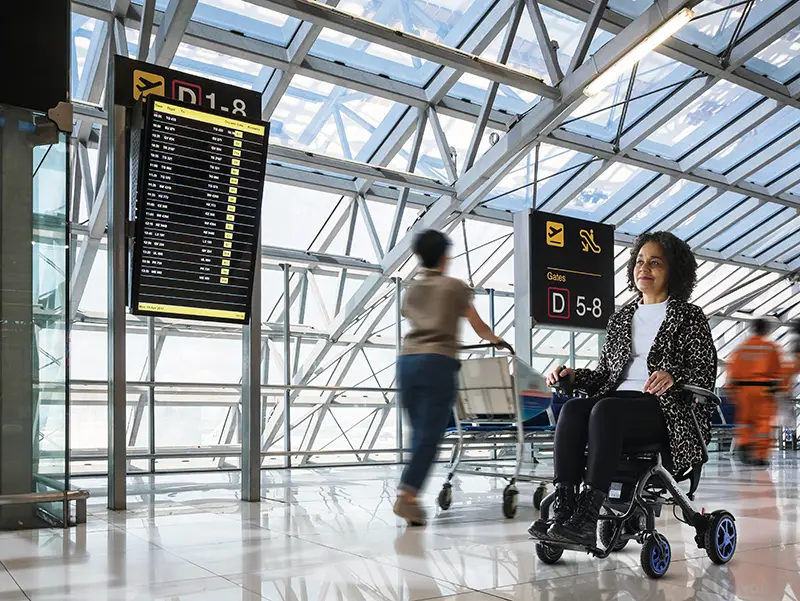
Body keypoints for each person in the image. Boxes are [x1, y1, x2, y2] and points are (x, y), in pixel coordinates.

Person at [528, 231, 717, 548]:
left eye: (655, 263)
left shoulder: (689, 316)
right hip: (617, 405)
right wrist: (573, 377)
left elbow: (705, 372)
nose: (644, 268)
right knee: (574, 409)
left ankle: (588, 517)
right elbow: (605, 374)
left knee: (606, 409)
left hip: (666, 411)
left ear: (674, 271)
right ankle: (565, 510)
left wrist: (673, 374)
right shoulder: (621, 318)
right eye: (640, 261)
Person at [394, 229, 507, 527]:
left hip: (407, 361)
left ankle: (412, 498)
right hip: (437, 362)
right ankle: (407, 495)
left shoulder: (411, 289)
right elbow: (477, 324)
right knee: (430, 435)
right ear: (445, 256)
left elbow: (413, 316)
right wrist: (497, 341)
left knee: (418, 432)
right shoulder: (455, 287)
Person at [726, 318, 783, 467]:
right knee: (763, 423)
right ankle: (760, 455)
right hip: (763, 390)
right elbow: (778, 372)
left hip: (743, 390)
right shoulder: (771, 348)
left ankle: (744, 444)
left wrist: (731, 391)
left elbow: (732, 371)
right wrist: (777, 392)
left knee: (745, 421)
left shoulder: (741, 348)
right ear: (766, 330)